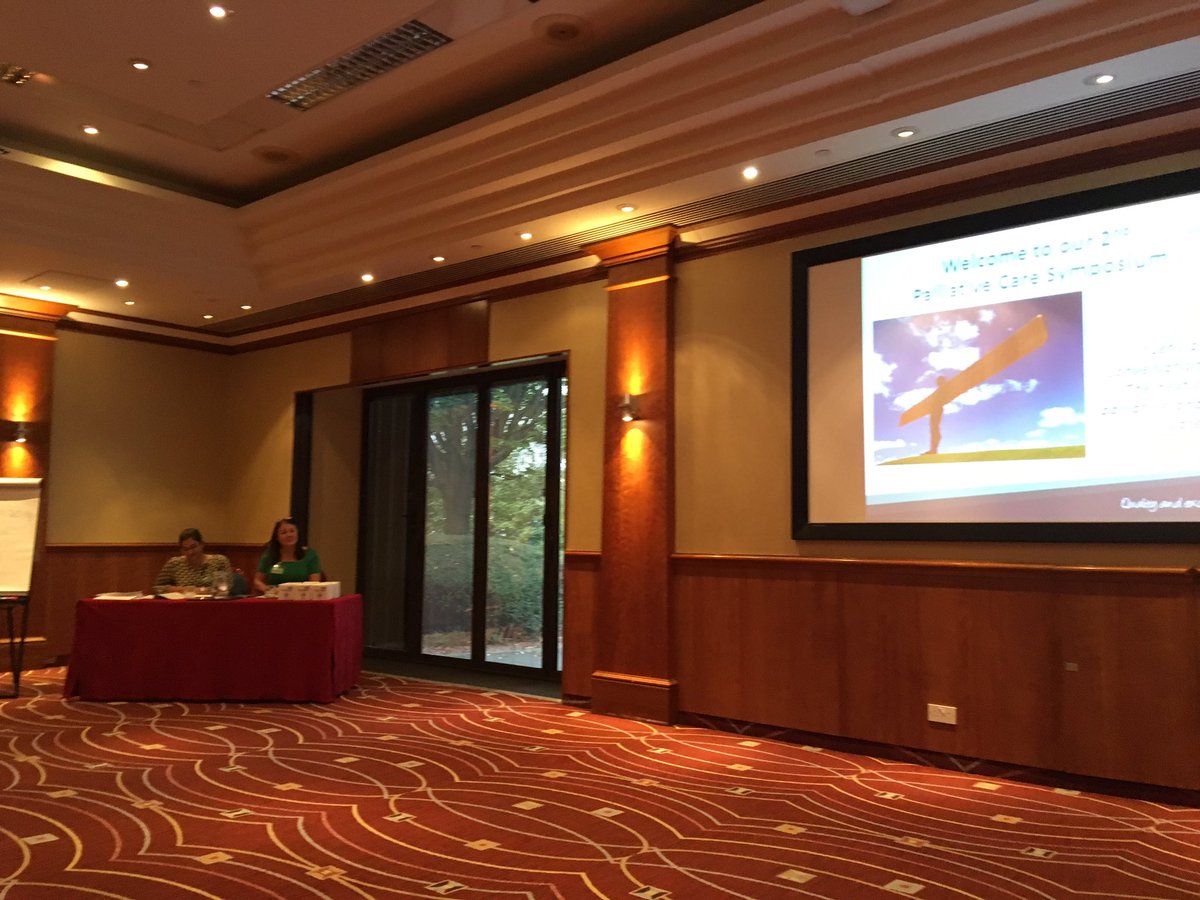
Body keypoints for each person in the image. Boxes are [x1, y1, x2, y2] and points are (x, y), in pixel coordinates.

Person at [254, 516, 323, 593]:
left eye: (292, 531)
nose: (289, 535)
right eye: (284, 532)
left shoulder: (310, 555)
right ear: (277, 537)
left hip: (301, 597)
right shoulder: (269, 554)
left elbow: (314, 583)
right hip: (274, 597)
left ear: (298, 533)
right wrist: (269, 590)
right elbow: (257, 581)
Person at [154, 528, 233, 593]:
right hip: (185, 605)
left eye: (193, 547)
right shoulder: (174, 563)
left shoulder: (219, 561)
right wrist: (180, 589)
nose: (190, 552)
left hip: (213, 604)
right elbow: (157, 588)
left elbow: (228, 587)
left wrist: (198, 591)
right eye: (185, 549)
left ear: (202, 544)